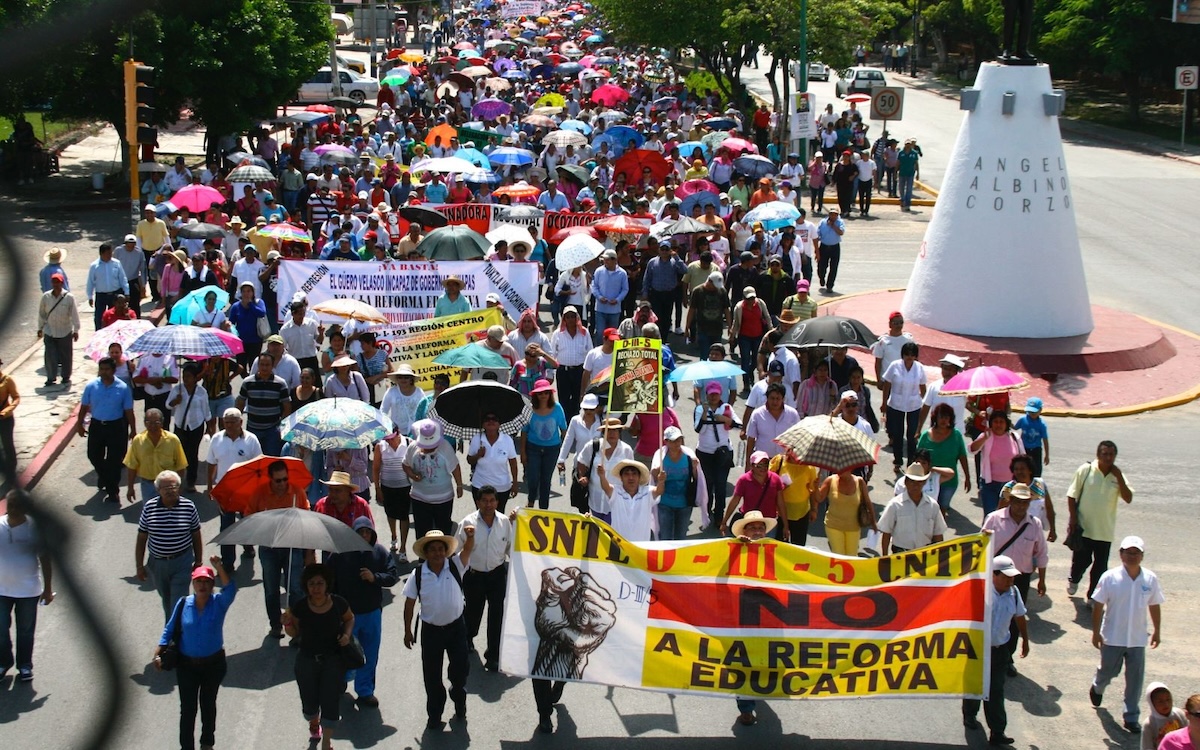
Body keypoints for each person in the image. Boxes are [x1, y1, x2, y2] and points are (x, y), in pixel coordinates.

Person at [154, 557, 235, 750]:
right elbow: (169, 629)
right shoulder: (184, 604)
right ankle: (186, 746)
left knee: (208, 705)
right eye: (199, 581)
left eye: (207, 582)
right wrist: (157, 653)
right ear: (193, 583)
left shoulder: (219, 603)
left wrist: (219, 567)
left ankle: (207, 742)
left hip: (213, 665)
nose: (202, 585)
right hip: (186, 666)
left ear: (212, 584)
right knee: (188, 709)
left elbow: (231, 589)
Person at [402, 528, 476, 730]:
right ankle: (435, 715)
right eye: (432, 549)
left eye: (441, 549)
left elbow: (468, 551)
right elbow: (409, 604)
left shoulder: (455, 566)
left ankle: (459, 697)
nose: (437, 553)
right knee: (432, 677)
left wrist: (470, 537)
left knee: (460, 670)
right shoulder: (417, 575)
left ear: (446, 551)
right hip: (431, 632)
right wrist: (408, 630)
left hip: (456, 629)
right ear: (426, 553)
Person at [1089, 535, 1164, 734]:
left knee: (1135, 679)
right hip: (1113, 637)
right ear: (1121, 554)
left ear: (1142, 556)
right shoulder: (1110, 577)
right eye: (1128, 552)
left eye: (1136, 553)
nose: (1132, 556)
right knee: (1108, 671)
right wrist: (1095, 632)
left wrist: (1157, 630)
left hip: (1137, 639)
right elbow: (1098, 605)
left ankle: (1131, 716)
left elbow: (1154, 604)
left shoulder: (1149, 579)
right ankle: (1098, 686)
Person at [328, 516, 399, 708]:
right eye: (360, 532)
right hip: (347, 617)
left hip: (372, 614)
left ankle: (365, 691)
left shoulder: (380, 552)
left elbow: (392, 576)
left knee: (370, 654)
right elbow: (328, 581)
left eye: (367, 532)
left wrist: (374, 577)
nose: (364, 535)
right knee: (344, 651)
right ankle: (341, 679)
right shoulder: (339, 554)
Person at [282, 564, 354, 749]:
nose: (316, 587)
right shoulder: (300, 607)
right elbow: (294, 634)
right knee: (309, 700)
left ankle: (327, 742)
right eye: (312, 583)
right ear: (306, 586)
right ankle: (314, 723)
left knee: (330, 701)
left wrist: (346, 635)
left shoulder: (338, 603)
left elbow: (349, 618)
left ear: (327, 584)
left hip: (332, 661)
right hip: (306, 661)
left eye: (320, 583)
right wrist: (287, 622)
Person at [961, 555, 1030, 746]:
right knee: (974, 685)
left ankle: (997, 731)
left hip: (1000, 651)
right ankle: (969, 714)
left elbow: (1020, 617)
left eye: (1012, 577)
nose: (1010, 580)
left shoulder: (1014, 593)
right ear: (993, 575)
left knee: (996, 691)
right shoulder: (980, 591)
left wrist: (1025, 640)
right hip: (976, 649)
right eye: (1006, 576)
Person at [981, 482, 1048, 673]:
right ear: (1010, 500)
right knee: (990, 615)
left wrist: (1042, 579)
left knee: (1015, 617)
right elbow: (982, 547)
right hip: (994, 576)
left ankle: (1007, 657)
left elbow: (1041, 553)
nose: (1020, 506)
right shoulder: (994, 519)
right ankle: (986, 653)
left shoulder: (1034, 525)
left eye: (1025, 502)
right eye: (1017, 501)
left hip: (1020, 578)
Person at [455, 485, 512, 672]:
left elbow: (512, 549)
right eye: (484, 501)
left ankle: (493, 655)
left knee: (497, 615)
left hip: (496, 575)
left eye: (492, 500)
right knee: (472, 613)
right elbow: (456, 550)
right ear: (478, 502)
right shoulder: (467, 523)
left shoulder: (505, 522)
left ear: (497, 502)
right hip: (474, 576)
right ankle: (468, 637)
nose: (489, 504)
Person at [135, 470, 204, 620]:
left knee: (178, 601)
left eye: (173, 487)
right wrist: (140, 566)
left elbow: (196, 534)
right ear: (158, 490)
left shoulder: (188, 506)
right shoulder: (149, 508)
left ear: (178, 488)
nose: (170, 491)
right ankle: (173, 630)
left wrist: (198, 560)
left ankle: (174, 635)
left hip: (182, 561)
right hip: (158, 563)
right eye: (165, 488)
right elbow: (142, 538)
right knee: (166, 600)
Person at [0, 490, 53, 683]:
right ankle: (3, 662)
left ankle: (24, 666)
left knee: (25, 631)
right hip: (1, 590)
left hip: (28, 591)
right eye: (11, 504)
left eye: (18, 505)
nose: (13, 509)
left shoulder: (35, 529)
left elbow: (45, 560)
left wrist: (47, 589)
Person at [729, 509, 776, 725]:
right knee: (742, 661)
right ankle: (745, 707)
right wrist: (737, 546)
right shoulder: (735, 548)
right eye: (753, 527)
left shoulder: (780, 552)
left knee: (765, 660)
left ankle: (758, 688)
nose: (757, 531)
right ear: (744, 531)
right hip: (743, 616)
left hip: (770, 618)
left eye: (760, 528)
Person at [206, 407, 263, 568]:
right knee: (226, 526)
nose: (229, 426)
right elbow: (211, 463)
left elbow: (259, 464)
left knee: (246, 522)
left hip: (246, 489)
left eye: (232, 422)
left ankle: (248, 546)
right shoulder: (216, 439)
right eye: (226, 422)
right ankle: (228, 562)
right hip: (225, 490)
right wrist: (210, 485)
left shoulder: (251, 440)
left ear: (241, 422)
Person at [78, 357, 137, 503]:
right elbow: (84, 407)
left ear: (114, 370)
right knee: (93, 456)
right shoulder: (91, 386)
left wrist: (133, 430)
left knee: (115, 461)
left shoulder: (123, 388)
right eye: (101, 369)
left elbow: (129, 411)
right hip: (97, 426)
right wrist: (79, 424)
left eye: (107, 369)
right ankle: (104, 477)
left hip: (116, 427)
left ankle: (113, 491)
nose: (104, 372)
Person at [405, 420, 464, 537]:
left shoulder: (445, 447)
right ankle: (423, 555)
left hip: (443, 498)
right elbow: (405, 464)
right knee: (422, 532)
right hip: (420, 498)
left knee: (444, 530)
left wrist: (459, 485)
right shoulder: (413, 447)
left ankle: (445, 555)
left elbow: (455, 467)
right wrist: (412, 475)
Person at [877, 462, 947, 554]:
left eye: (919, 482)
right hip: (901, 554)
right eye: (912, 481)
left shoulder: (933, 506)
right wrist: (884, 559)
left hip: (925, 553)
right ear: (906, 482)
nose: (916, 485)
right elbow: (886, 533)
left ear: (924, 483)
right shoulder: (894, 505)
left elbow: (938, 534)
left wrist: (940, 558)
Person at [649, 426, 705, 540]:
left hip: (684, 504)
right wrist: (656, 474)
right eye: (673, 440)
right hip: (665, 503)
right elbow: (653, 480)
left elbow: (697, 480)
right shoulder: (660, 456)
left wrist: (694, 468)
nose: (677, 443)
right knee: (665, 537)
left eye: (679, 439)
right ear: (666, 442)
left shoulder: (689, 455)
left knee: (681, 538)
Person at [917, 402, 972, 516]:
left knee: (942, 509)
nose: (943, 420)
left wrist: (967, 477)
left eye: (947, 417)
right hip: (929, 481)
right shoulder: (925, 436)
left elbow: (962, 456)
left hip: (949, 481)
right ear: (935, 417)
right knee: (928, 509)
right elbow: (917, 458)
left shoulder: (956, 435)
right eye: (941, 416)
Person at [576, 417, 635, 524]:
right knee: (596, 531)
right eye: (609, 430)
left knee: (610, 533)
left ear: (619, 432)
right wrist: (582, 476)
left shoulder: (626, 450)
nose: (612, 433)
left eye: (615, 430)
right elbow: (581, 461)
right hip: (595, 499)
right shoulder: (593, 446)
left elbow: (631, 473)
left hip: (616, 500)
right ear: (603, 432)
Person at [124, 408, 188, 504]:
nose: (152, 426)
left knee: (169, 514)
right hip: (147, 485)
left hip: (168, 486)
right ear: (144, 423)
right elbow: (132, 466)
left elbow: (181, 465)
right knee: (151, 515)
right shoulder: (138, 441)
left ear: (162, 423)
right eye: (149, 422)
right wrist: (130, 488)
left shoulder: (173, 440)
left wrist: (179, 487)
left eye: (156, 422)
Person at [881, 341, 927, 474]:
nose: (909, 357)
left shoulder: (919, 368)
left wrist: (926, 403)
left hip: (914, 405)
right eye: (907, 354)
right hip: (896, 404)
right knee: (897, 434)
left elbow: (923, 387)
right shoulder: (894, 365)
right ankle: (897, 461)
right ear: (903, 354)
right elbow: (887, 384)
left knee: (912, 436)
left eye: (912, 355)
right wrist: (884, 402)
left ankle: (911, 463)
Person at [694, 381, 736, 525]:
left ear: (720, 394)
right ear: (706, 394)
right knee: (707, 484)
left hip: (723, 453)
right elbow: (699, 429)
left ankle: (719, 516)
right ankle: (707, 512)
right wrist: (705, 414)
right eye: (711, 394)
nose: (713, 397)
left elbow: (738, 425)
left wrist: (725, 419)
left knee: (720, 485)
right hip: (704, 453)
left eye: (716, 394)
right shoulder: (700, 409)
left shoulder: (726, 408)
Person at [521, 380, 567, 510]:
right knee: (533, 477)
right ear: (535, 395)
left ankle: (543, 508)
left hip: (552, 449)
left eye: (547, 392)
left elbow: (564, 430)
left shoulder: (557, 408)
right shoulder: (529, 408)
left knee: (546, 480)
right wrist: (523, 453)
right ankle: (531, 500)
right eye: (540, 393)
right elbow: (524, 432)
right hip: (533, 448)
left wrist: (564, 453)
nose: (544, 395)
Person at [720, 451, 787, 539]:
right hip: (749, 523)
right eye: (759, 465)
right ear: (752, 466)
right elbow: (735, 501)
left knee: (766, 550)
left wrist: (786, 526)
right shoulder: (744, 480)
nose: (763, 468)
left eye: (766, 464)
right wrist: (724, 522)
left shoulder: (775, 479)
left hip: (768, 524)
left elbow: (781, 503)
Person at [236, 352, 291, 456]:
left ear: (272, 366)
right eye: (262, 364)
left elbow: (287, 407)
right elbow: (240, 403)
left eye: (267, 365)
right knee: (252, 458)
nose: (264, 368)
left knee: (271, 459)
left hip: (272, 430)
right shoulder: (247, 382)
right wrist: (238, 423)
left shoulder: (280, 383)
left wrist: (281, 427)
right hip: (252, 428)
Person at [970, 410, 1022, 518]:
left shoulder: (1014, 437)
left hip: (1010, 485)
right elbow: (972, 449)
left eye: (1001, 422)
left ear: (1006, 423)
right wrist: (984, 437)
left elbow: (1023, 459)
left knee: (1007, 518)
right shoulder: (986, 436)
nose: (998, 424)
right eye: (995, 422)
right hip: (990, 485)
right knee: (990, 517)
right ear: (991, 423)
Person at [598, 458, 663, 543]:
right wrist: (602, 476)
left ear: (639, 477)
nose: (631, 477)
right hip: (619, 546)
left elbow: (659, 491)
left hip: (641, 547)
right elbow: (606, 487)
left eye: (634, 474)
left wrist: (661, 481)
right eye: (626, 474)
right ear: (621, 477)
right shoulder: (616, 492)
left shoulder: (648, 492)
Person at [168, 364, 210, 492]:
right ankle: (176, 481)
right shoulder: (177, 390)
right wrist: (176, 401)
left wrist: (209, 427)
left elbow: (206, 411)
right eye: (184, 376)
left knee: (192, 455)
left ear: (195, 378)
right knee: (179, 455)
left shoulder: (201, 392)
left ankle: (191, 482)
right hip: (180, 426)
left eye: (189, 376)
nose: (186, 379)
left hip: (196, 426)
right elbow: (168, 405)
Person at [815, 465, 875, 555]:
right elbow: (819, 498)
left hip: (853, 527)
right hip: (833, 526)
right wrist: (815, 488)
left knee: (852, 557)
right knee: (839, 556)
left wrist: (873, 523)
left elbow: (867, 502)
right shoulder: (830, 480)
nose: (839, 470)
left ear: (850, 468)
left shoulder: (860, 482)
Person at [36, 273, 80, 389]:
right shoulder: (46, 297)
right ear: (52, 283)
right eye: (54, 282)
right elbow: (42, 314)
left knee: (66, 355)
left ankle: (66, 376)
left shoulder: (69, 297)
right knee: (50, 355)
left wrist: (76, 330)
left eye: (58, 282)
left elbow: (74, 314)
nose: (56, 284)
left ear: (62, 283)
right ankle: (51, 377)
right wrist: (40, 328)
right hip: (50, 331)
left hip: (64, 330)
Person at [374, 428, 413, 557]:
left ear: (398, 433)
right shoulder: (380, 446)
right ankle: (394, 536)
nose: (389, 441)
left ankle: (403, 547)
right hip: (387, 487)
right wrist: (377, 489)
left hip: (405, 487)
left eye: (392, 438)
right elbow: (376, 469)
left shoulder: (409, 443)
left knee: (403, 516)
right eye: (387, 439)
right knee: (390, 514)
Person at [743, 382, 800, 467]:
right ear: (767, 398)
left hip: (785, 462)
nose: (775, 402)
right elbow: (751, 439)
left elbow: (798, 437)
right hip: (762, 461)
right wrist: (748, 463)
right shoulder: (757, 414)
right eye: (772, 398)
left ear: (783, 399)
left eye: (778, 398)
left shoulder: (792, 414)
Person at [770, 451, 820, 546]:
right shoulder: (779, 461)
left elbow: (812, 491)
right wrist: (780, 486)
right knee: (779, 545)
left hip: (801, 513)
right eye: (793, 450)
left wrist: (814, 509)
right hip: (780, 512)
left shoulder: (810, 468)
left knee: (798, 545)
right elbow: (768, 481)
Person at [86, 242, 130, 331]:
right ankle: (99, 334)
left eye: (111, 253)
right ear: (102, 253)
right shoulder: (94, 266)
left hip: (115, 294)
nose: (110, 255)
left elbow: (123, 278)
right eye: (108, 253)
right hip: (101, 295)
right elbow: (90, 282)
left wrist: (126, 292)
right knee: (99, 317)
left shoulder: (116, 263)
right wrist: (90, 296)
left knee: (115, 316)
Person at [920, 353, 967, 430]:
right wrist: (919, 428)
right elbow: (925, 407)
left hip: (956, 431)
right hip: (937, 431)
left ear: (956, 371)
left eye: (951, 370)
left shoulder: (963, 388)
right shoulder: (933, 387)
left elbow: (970, 403)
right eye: (945, 369)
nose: (948, 372)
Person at [379, 363, 424, 438]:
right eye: (400, 377)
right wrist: (388, 426)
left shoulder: (419, 392)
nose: (403, 380)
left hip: (416, 432)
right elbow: (383, 411)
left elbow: (424, 410)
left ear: (411, 379)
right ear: (397, 379)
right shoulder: (391, 392)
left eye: (406, 377)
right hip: (397, 433)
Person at [1141, 683, 1188, 750]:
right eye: (1160, 701)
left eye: (1168, 700)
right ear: (1152, 703)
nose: (1166, 704)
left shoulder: (1179, 714)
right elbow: (1147, 747)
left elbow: (1189, 735)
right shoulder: (1149, 724)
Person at [1014, 397, 1050, 478]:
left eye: (1034, 412)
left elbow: (1045, 439)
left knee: (1036, 471)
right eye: (1030, 411)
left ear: (1040, 410)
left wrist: (1047, 455)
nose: (1032, 414)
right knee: (1023, 468)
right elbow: (1015, 428)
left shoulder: (1042, 424)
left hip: (1036, 450)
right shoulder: (1022, 419)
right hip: (1024, 449)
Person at [814, 206, 845, 292]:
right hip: (824, 246)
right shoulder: (822, 222)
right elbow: (817, 235)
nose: (833, 216)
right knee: (821, 266)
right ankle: (822, 277)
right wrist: (816, 250)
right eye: (831, 214)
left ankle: (830, 285)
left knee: (834, 267)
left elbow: (841, 232)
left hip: (835, 247)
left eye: (835, 215)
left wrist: (833, 226)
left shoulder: (840, 222)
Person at [0, 359, 19, 489]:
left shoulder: (7, 380)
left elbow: (16, 397)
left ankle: (11, 472)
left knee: (7, 445)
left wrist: (7, 410)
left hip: (5, 419)